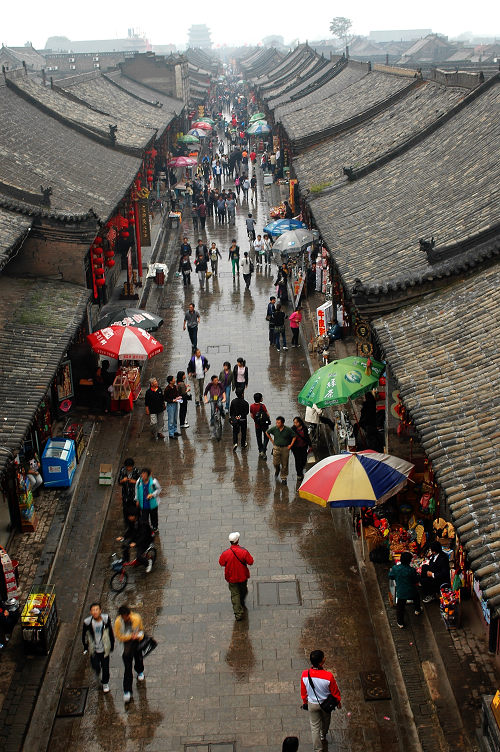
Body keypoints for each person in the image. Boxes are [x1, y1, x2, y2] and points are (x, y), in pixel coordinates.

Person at [300, 650, 341, 752]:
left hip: (312, 704)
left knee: (314, 727)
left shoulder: (305, 674)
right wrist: (338, 702)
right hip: (326, 704)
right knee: (326, 721)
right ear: (322, 661)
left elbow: (303, 692)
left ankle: (318, 749)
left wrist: (305, 702)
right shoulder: (328, 676)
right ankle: (323, 735)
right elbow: (335, 692)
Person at [219, 532, 254, 621]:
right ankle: (241, 602)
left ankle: (238, 614)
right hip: (243, 576)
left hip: (231, 577)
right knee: (243, 590)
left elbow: (221, 563)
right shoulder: (244, 551)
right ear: (237, 540)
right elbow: (251, 562)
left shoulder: (225, 553)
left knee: (235, 594)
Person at [114, 604, 146, 703]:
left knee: (139, 659)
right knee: (128, 669)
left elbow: (141, 630)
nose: (125, 618)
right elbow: (119, 636)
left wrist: (139, 636)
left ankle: (140, 671)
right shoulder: (118, 622)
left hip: (136, 644)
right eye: (123, 617)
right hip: (126, 647)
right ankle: (127, 690)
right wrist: (130, 636)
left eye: (126, 616)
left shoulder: (136, 618)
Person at [82, 602, 114, 693]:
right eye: (93, 610)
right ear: (90, 612)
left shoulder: (106, 619)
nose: (95, 612)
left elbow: (110, 632)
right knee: (96, 666)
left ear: (100, 611)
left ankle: (105, 683)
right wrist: (85, 646)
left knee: (106, 667)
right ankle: (97, 671)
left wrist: (111, 644)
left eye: (96, 610)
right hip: (94, 649)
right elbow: (84, 635)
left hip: (104, 649)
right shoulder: (87, 622)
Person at [389, 551, 422, 628]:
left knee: (400, 608)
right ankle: (417, 610)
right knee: (416, 597)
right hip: (411, 591)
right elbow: (416, 580)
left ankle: (400, 623)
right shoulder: (411, 570)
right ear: (409, 561)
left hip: (400, 592)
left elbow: (391, 576)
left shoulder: (395, 568)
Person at [266, 416, 296, 484]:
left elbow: (294, 436)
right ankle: (277, 469)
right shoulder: (274, 429)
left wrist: (291, 445)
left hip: (285, 448)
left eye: (278, 423)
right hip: (276, 447)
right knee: (275, 463)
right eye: (276, 422)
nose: (277, 424)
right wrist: (271, 440)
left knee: (284, 464)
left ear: (282, 423)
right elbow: (267, 432)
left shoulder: (287, 429)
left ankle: (284, 477)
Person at [135, 468, 161, 532]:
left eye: (145, 474)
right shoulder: (139, 482)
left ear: (148, 475)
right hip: (143, 503)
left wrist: (152, 494)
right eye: (142, 474)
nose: (143, 476)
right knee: (144, 518)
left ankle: (155, 527)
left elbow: (159, 489)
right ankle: (146, 529)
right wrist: (137, 499)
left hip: (153, 503)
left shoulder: (154, 482)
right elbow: (136, 490)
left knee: (154, 516)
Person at [118, 458, 140, 524]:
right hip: (126, 494)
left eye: (130, 467)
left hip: (134, 494)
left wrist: (135, 481)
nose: (128, 468)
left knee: (135, 508)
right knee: (126, 508)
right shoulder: (122, 471)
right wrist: (123, 480)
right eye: (127, 467)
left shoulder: (136, 471)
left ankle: (136, 520)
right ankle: (127, 522)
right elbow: (119, 482)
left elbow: (141, 483)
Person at [250, 393, 271, 459]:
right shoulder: (263, 406)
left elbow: (251, 414)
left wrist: (255, 420)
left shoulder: (252, 406)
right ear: (260, 399)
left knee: (258, 437)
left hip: (257, 425)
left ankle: (260, 450)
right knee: (266, 437)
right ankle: (264, 450)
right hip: (264, 424)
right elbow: (267, 414)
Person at [164, 375, 181, 440]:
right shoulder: (167, 389)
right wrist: (172, 400)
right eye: (173, 379)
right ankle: (171, 433)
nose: (174, 380)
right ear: (170, 381)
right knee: (171, 419)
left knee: (175, 418)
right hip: (170, 404)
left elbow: (176, 394)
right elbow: (165, 398)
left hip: (175, 403)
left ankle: (175, 430)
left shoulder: (174, 387)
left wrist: (177, 398)